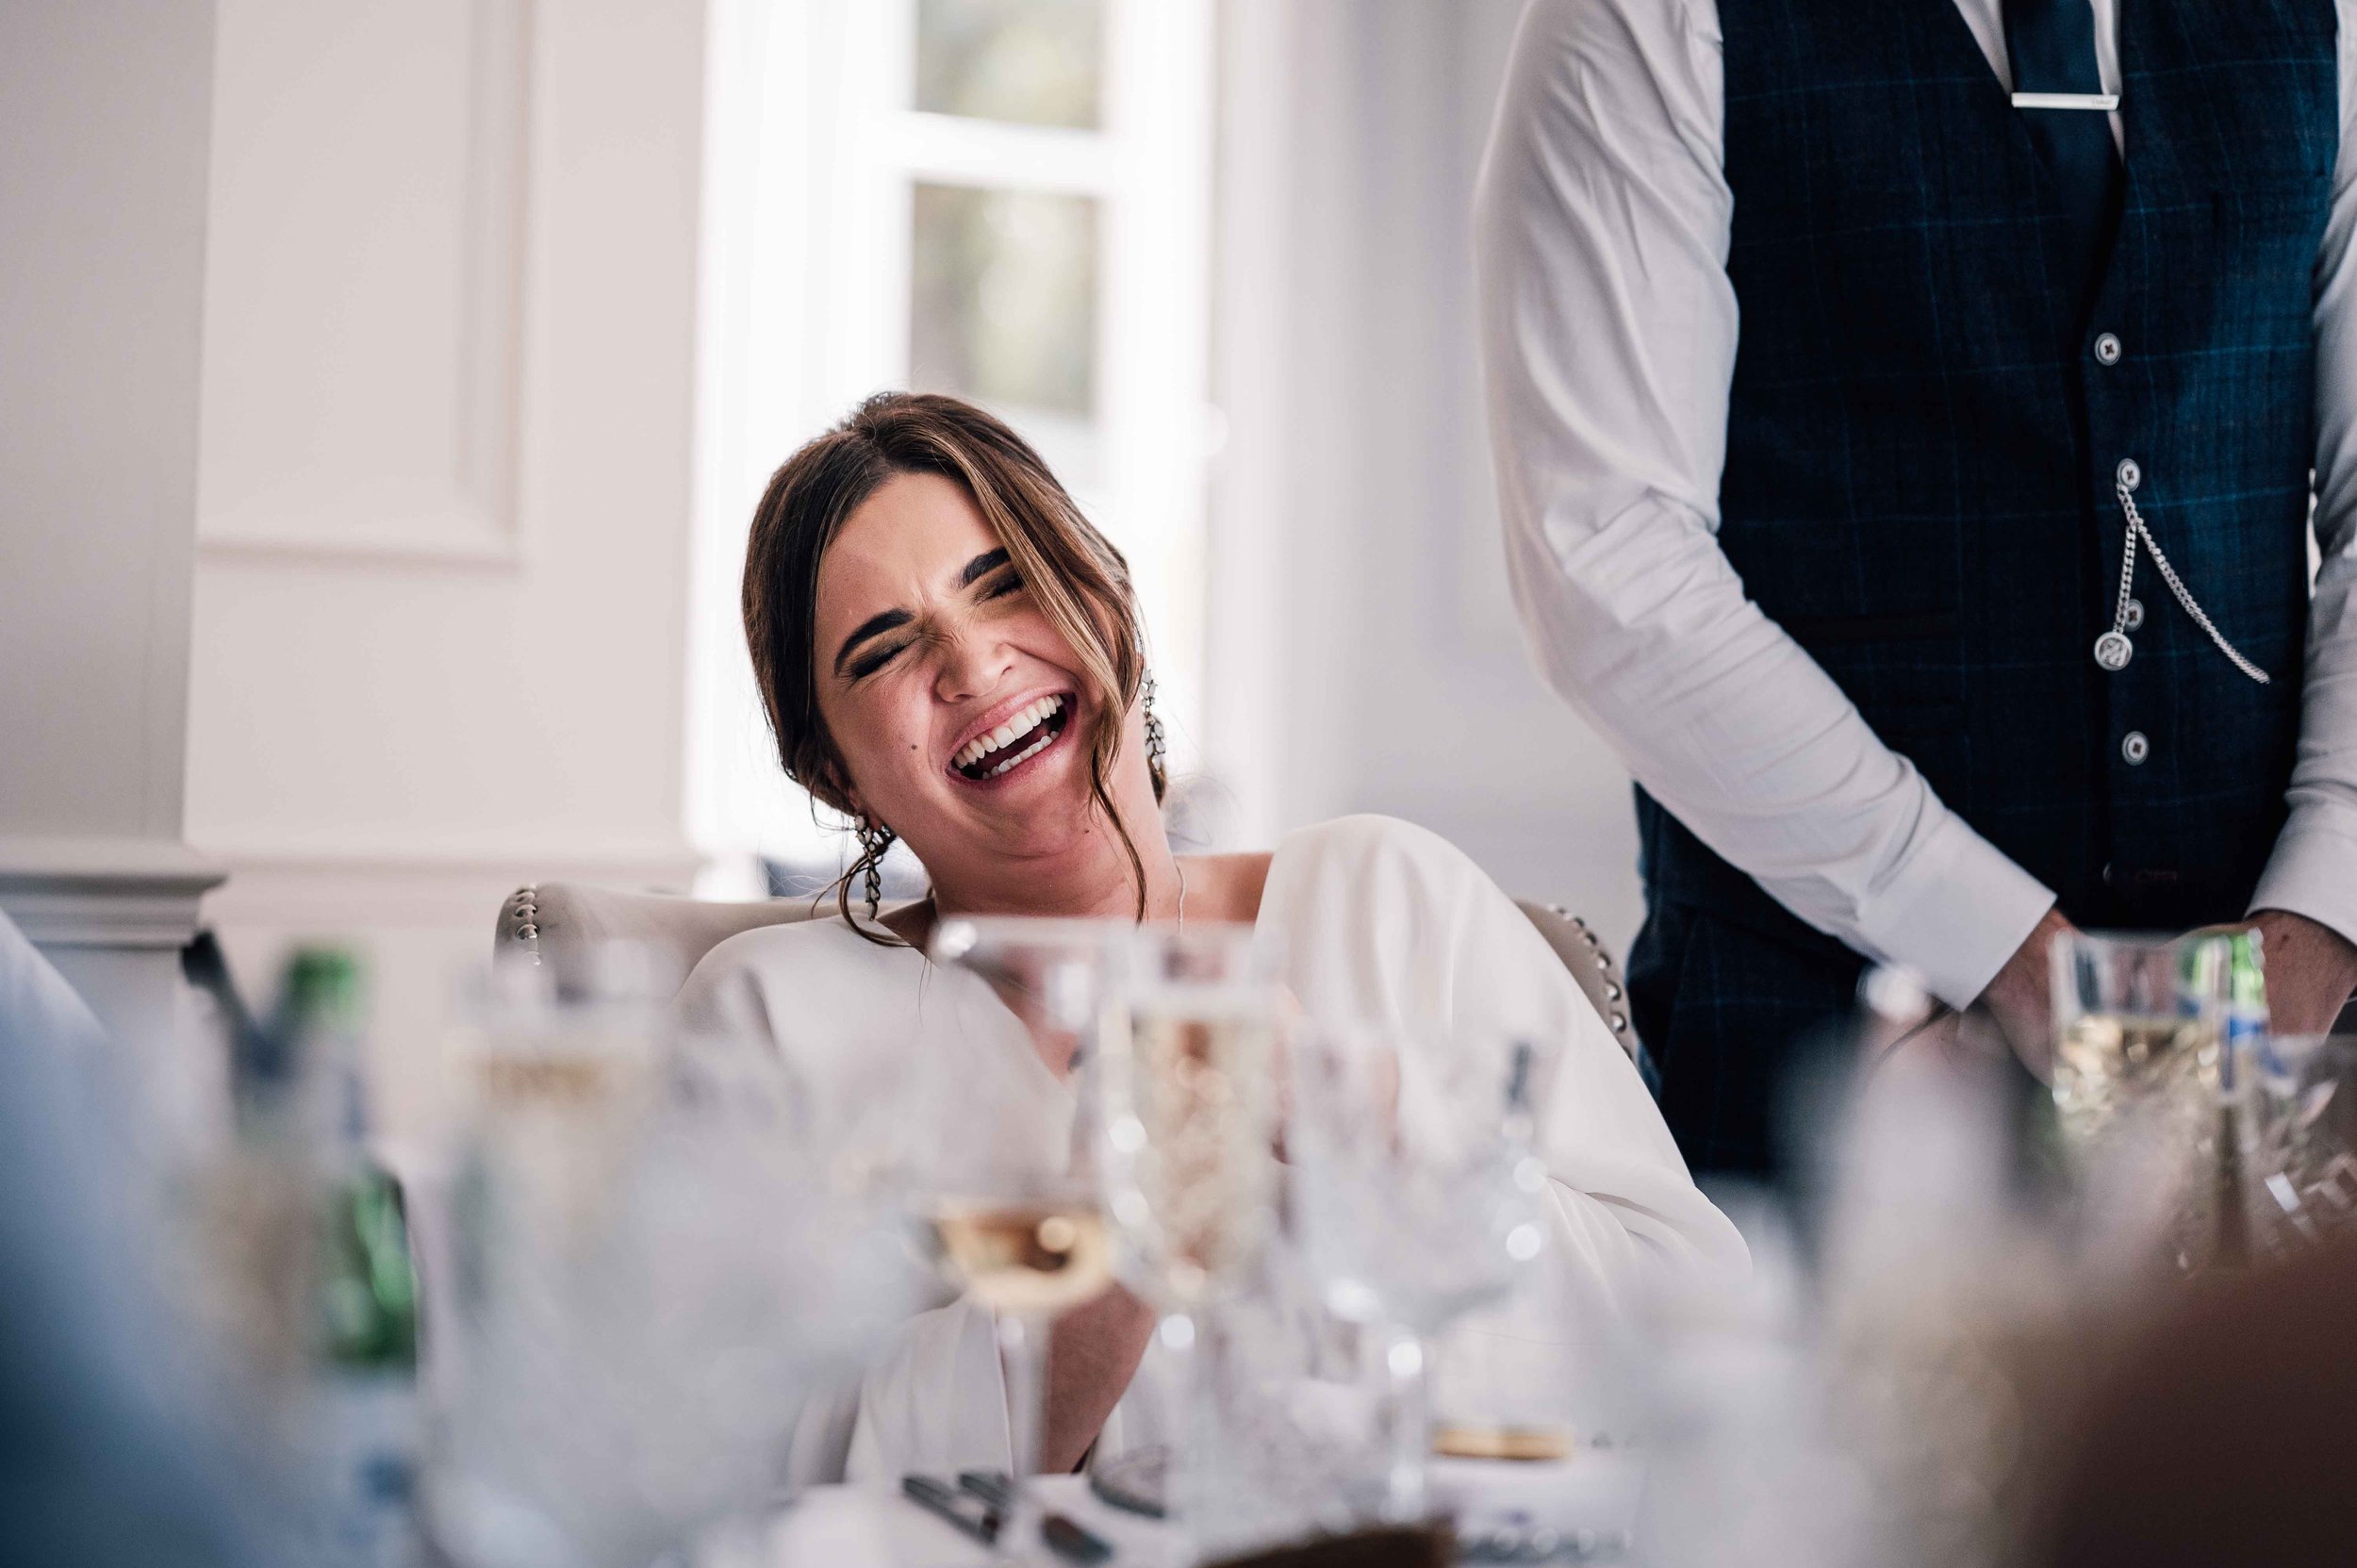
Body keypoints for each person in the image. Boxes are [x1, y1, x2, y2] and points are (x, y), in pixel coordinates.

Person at [676, 391, 1746, 1484]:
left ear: (1106, 590)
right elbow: (738, 1476)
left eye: (1003, 583)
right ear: (833, 773)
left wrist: (1359, 1113)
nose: (971, 662)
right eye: (884, 649)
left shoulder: (1389, 899)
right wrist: (1137, 1228)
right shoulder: (772, 1015)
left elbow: (1703, 1339)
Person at [1475, 0, 2357, 1176]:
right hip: (1819, 1075)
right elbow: (1607, 561)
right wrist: (1996, 947)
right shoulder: (1651, 17)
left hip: (2293, 1081)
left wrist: (2320, 915)